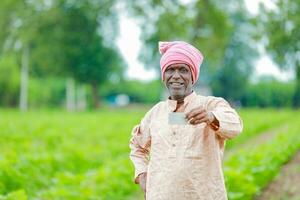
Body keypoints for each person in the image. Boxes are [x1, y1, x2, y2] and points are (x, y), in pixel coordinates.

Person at [129, 41, 243, 200]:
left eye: (183, 70)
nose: (176, 76)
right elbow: (137, 145)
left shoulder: (210, 105)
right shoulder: (156, 113)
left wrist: (211, 117)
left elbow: (235, 126)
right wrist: (142, 173)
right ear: (164, 76)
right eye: (170, 70)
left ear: (193, 76)